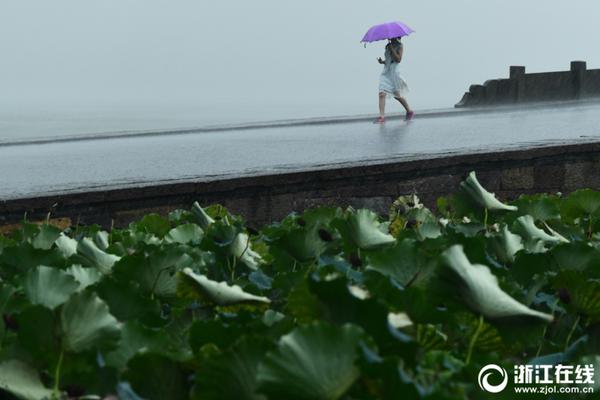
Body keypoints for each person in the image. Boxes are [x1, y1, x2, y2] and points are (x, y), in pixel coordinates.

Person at [374, 37, 414, 123]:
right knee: (381, 93)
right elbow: (389, 60)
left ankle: (409, 111)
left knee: (397, 95)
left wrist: (392, 48)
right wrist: (382, 62)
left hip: (394, 72)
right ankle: (382, 117)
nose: (390, 38)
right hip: (386, 72)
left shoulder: (400, 46)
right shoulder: (387, 46)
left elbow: (398, 59)